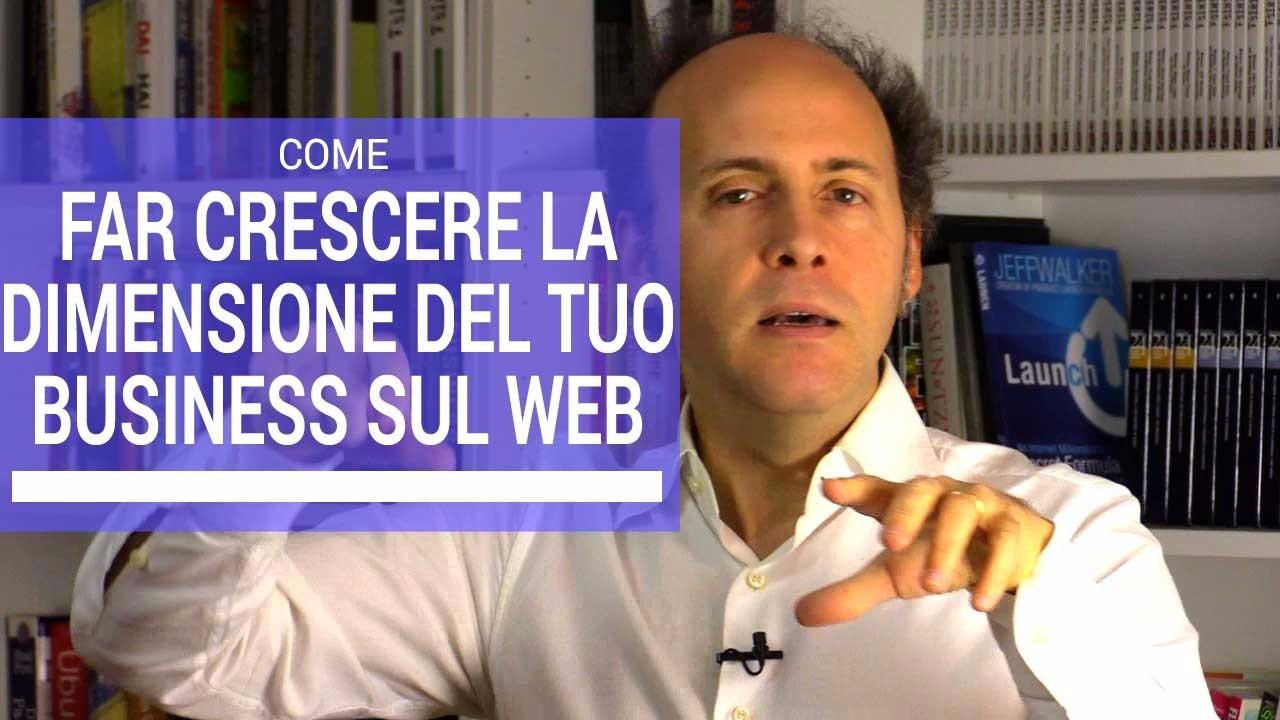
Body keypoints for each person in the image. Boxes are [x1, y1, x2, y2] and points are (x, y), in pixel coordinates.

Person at [71, 20, 1216, 720]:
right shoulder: (513, 533)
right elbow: (166, 652)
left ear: (908, 256)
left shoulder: (1073, 539)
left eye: (845, 193)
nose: (799, 239)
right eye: (735, 191)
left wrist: (1029, 604)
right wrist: (266, 442)